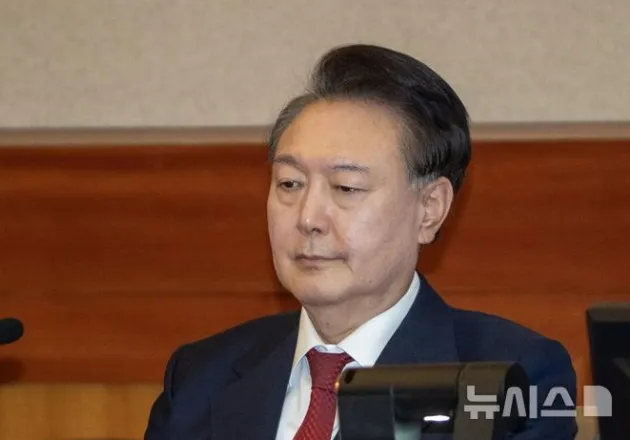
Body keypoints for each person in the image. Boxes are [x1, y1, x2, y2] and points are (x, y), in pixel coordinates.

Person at [144, 44, 577, 440]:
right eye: (290, 183)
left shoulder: (511, 377)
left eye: (346, 188)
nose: (308, 218)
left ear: (429, 208)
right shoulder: (200, 377)